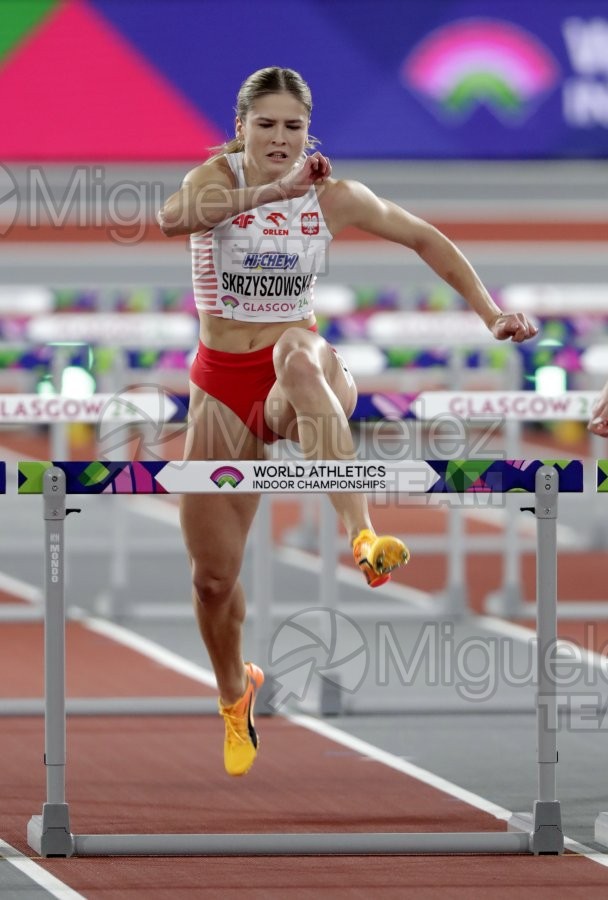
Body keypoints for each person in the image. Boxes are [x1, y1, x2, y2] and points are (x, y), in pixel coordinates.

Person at [157, 66, 538, 777]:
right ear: (241, 127)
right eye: (264, 124)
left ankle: (362, 536)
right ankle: (235, 694)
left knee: (299, 356)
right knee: (212, 580)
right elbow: (173, 220)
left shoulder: (335, 197)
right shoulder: (215, 179)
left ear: (310, 130)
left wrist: (492, 313)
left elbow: (427, 239)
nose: (278, 137)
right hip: (220, 388)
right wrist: (272, 193)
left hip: (303, 374)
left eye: (292, 126)